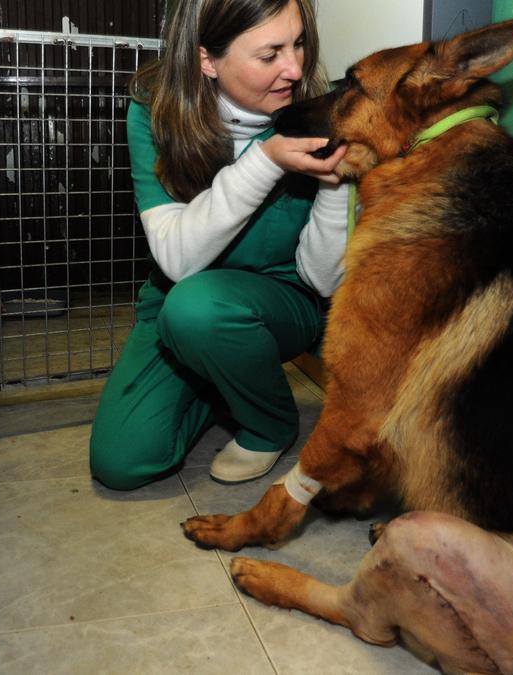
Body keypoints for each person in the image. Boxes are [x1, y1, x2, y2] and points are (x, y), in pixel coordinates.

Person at [89, 0, 350, 490]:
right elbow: (178, 259)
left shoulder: (321, 115)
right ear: (207, 60)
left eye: (298, 45)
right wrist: (267, 160)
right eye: (270, 55)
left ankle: (268, 424)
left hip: (286, 301)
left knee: (201, 310)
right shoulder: (154, 113)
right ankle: (222, 374)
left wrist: (338, 181)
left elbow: (324, 279)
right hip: (180, 303)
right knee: (123, 464)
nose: (295, 69)